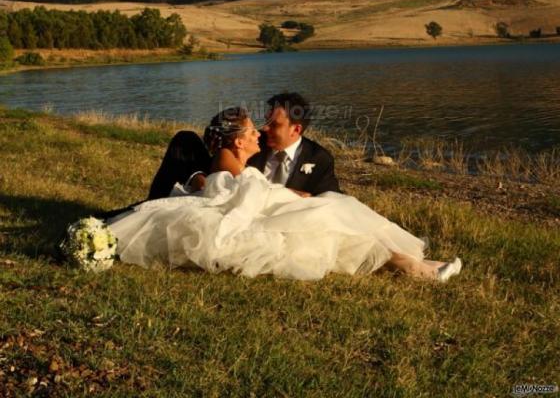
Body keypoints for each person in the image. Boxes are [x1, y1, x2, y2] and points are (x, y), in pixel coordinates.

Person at [108, 107, 462, 282]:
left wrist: (288, 193)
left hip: (263, 206)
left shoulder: (236, 167)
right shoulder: (232, 172)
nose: (259, 135)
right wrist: (288, 195)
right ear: (237, 141)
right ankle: (414, 268)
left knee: (336, 208)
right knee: (331, 212)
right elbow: (238, 201)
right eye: (251, 132)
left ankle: (412, 264)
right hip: (254, 223)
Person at [146, 92, 340, 199]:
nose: (264, 129)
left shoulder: (319, 159)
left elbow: (331, 199)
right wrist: (198, 177)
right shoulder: (251, 144)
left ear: (296, 130)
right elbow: (221, 160)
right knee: (185, 140)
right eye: (265, 121)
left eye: (274, 125)